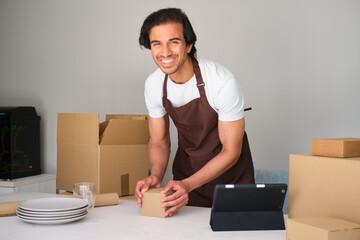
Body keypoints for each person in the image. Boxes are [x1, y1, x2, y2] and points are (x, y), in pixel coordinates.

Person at [135, 8, 254, 217]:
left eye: (174, 42)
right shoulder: (154, 85)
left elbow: (231, 151)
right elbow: (160, 142)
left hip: (230, 182)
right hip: (185, 182)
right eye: (156, 44)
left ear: (189, 45)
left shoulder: (221, 82)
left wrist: (189, 184)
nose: (165, 52)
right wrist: (155, 175)